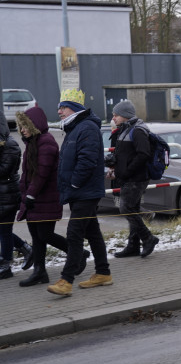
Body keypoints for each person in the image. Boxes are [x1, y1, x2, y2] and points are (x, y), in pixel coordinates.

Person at [47, 94, 111, 296]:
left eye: (63, 108)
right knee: (92, 232)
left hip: (85, 191)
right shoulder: (75, 128)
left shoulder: (87, 128)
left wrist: (74, 182)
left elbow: (88, 160)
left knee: (74, 234)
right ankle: (103, 272)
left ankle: (66, 280)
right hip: (80, 192)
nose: (59, 112)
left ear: (74, 108)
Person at [15, 108, 67, 287]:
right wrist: (22, 192)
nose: (22, 130)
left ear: (34, 125)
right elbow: (27, 174)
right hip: (35, 198)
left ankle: (77, 252)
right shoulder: (33, 142)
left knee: (44, 234)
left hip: (45, 198)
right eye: (21, 127)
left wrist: (30, 194)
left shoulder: (46, 142)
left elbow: (41, 174)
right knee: (36, 237)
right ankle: (40, 272)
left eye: (24, 126)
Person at [108, 100, 159, 259]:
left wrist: (127, 171)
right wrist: (113, 164)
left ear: (125, 115)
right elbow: (125, 154)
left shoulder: (137, 130)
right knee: (133, 210)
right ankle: (133, 246)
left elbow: (143, 154)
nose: (113, 117)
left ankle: (148, 238)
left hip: (136, 178)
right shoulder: (125, 129)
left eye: (116, 114)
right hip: (127, 176)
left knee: (126, 208)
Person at [0, 119, 31, 279]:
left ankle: (5, 265)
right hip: (3, 194)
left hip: (8, 195)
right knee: (3, 230)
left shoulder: (10, 145)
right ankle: (24, 247)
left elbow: (4, 170)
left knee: (4, 231)